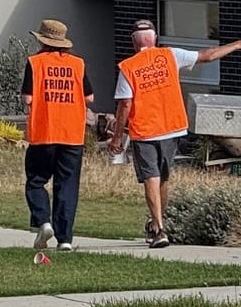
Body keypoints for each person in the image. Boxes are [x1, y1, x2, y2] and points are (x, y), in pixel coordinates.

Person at [109, 18, 241, 247]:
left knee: (151, 178)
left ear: (133, 42)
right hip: (172, 128)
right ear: (155, 39)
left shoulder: (128, 67)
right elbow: (207, 56)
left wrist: (117, 136)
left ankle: (159, 229)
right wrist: (236, 45)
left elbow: (125, 105)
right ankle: (157, 224)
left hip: (145, 131)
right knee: (163, 179)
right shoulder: (171, 55)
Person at [19, 18, 91, 253]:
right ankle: (65, 239)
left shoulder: (35, 62)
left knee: (36, 180)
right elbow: (89, 98)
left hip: (44, 131)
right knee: (67, 185)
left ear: (42, 41)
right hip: (73, 134)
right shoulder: (78, 64)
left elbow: (28, 99)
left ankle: (43, 221)